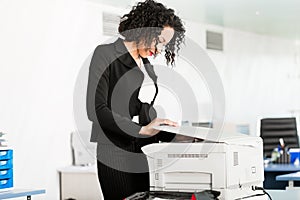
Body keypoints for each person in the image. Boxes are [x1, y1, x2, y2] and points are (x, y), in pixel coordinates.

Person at [86, 0, 185, 199]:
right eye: (158, 41)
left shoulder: (146, 65)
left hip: (142, 150)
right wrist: (140, 130)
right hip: (114, 150)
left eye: (163, 45)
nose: (158, 50)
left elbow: (141, 110)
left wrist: (175, 136)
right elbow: (95, 108)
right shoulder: (105, 54)